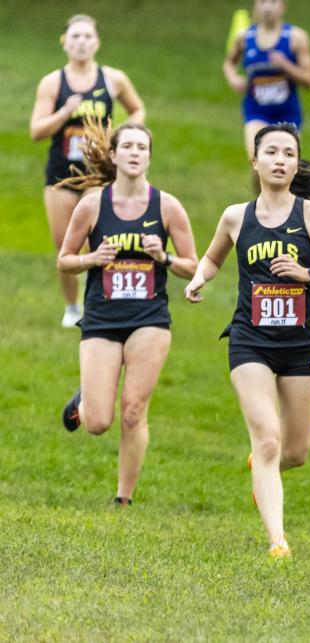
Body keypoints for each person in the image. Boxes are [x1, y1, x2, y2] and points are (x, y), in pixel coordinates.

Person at [184, 123, 310, 558]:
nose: (280, 160)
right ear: (256, 161)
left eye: (288, 154)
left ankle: (263, 472)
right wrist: (198, 278)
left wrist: (309, 274)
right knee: (266, 438)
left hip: (302, 344)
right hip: (250, 341)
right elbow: (212, 257)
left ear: (296, 163)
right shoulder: (235, 217)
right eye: (272, 153)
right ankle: (277, 541)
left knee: (295, 452)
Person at [57, 120, 198, 505]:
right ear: (115, 156)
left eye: (143, 147)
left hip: (149, 320)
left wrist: (162, 256)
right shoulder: (92, 205)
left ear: (149, 157)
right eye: (129, 147)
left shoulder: (167, 207)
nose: (136, 153)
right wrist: (92, 258)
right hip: (102, 319)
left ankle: (123, 498)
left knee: (133, 411)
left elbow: (193, 266)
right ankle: (84, 401)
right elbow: (64, 260)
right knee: (99, 423)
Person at [30, 13, 146, 328]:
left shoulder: (112, 79)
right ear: (64, 42)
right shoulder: (53, 83)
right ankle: (71, 308)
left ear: (97, 42)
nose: (81, 42)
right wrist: (63, 113)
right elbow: (36, 130)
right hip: (60, 176)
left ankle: (102, 302)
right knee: (64, 246)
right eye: (75, 37)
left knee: (101, 242)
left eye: (87, 37)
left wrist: (121, 135)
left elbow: (137, 108)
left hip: (99, 175)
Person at [223, 0, 310, 159]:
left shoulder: (296, 38)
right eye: (262, 2)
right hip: (256, 111)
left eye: (273, 2)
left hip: (288, 113)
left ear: (283, 7)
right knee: (258, 159)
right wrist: (233, 78)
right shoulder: (244, 37)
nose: (267, 7)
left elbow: (309, 80)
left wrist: (286, 65)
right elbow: (229, 63)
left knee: (285, 166)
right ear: (255, 6)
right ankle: (259, 184)